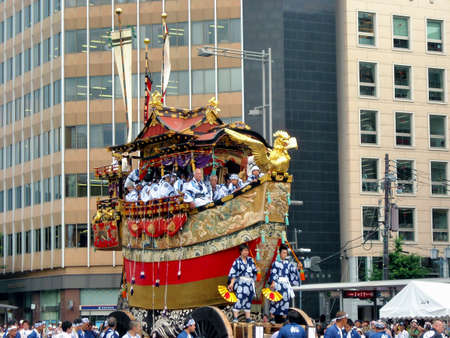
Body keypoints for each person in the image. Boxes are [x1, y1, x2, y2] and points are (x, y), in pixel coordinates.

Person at [268, 244, 301, 324]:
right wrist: (272, 282)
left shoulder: (289, 264)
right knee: (274, 301)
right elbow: (273, 273)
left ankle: (284, 318)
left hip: (285, 286)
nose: (284, 254)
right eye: (283, 253)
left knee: (285, 302)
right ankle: (272, 317)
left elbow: (294, 271)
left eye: (286, 253)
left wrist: (298, 268)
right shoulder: (275, 263)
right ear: (279, 253)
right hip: (277, 284)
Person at [228, 243, 258, 323]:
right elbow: (233, 273)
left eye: (247, 251)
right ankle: (235, 317)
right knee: (239, 299)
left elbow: (255, 270)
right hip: (241, 283)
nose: (246, 252)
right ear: (241, 251)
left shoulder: (251, 260)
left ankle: (248, 318)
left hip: (249, 283)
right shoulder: (237, 261)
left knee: (248, 300)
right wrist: (231, 283)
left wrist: (257, 271)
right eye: (245, 250)